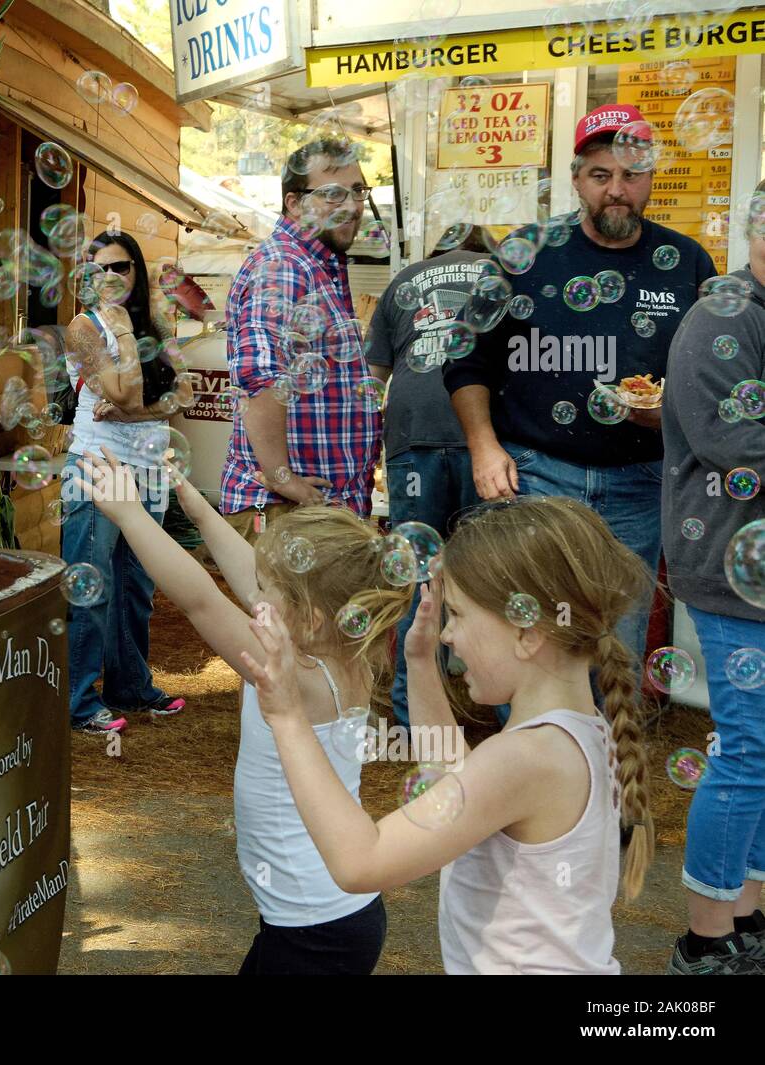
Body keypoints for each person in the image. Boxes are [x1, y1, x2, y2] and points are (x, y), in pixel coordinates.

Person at [244, 496, 656, 974]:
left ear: (527, 632)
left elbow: (360, 862)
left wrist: (289, 717)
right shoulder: (583, 734)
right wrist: (420, 666)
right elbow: (453, 779)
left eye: (457, 615)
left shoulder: (524, 758)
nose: (447, 635)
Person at [78, 447, 410, 972]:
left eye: (271, 591)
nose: (258, 595)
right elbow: (249, 581)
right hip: (326, 917)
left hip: (314, 932)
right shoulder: (344, 657)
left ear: (312, 618)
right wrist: (199, 508)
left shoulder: (296, 678)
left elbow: (201, 601)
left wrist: (132, 516)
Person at [443, 104, 717, 672]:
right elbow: (466, 357)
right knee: (531, 634)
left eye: (631, 174)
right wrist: (483, 446)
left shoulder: (686, 262)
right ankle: (529, 752)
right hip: (537, 471)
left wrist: (668, 410)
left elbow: (702, 374)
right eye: (600, 175)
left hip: (640, 484)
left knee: (619, 633)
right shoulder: (526, 252)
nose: (616, 190)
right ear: (576, 179)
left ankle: (605, 756)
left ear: (650, 178)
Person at [661, 188, 765, 975]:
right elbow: (735, 440)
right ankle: (704, 937)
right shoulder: (724, 319)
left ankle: (750, 915)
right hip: (731, 567)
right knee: (746, 748)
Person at [60, 232, 192, 735]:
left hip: (150, 468)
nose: (110, 278)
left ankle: (131, 686)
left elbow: (183, 391)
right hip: (99, 466)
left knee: (136, 583)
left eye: (121, 267)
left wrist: (140, 410)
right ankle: (77, 701)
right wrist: (119, 334)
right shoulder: (84, 328)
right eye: (99, 270)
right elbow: (121, 389)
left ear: (136, 271)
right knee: (92, 586)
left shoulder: (157, 324)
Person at [221, 137, 380, 542]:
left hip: (316, 512)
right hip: (291, 514)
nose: (351, 205)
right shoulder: (285, 266)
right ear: (294, 204)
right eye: (332, 194)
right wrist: (281, 476)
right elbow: (260, 375)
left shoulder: (318, 264)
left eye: (358, 191)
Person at [366, 225, 486, 728]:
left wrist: (370, 444)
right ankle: (505, 709)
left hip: (413, 438)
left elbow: (374, 376)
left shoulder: (404, 280)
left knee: (420, 578)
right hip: (481, 438)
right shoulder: (499, 273)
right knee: (490, 576)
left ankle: (415, 713)